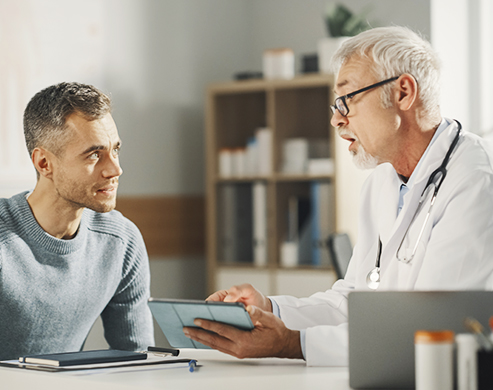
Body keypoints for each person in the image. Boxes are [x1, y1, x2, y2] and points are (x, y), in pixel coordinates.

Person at [183, 26, 493, 366]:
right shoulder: (383, 181)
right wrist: (268, 309)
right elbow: (353, 301)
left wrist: (291, 343)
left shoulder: (476, 181)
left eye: (347, 100)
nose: (336, 119)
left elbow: (436, 328)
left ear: (403, 92)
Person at [0, 82, 154, 360]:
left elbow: (137, 360)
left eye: (115, 150)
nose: (115, 169)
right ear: (44, 163)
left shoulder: (122, 242)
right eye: (95, 154)